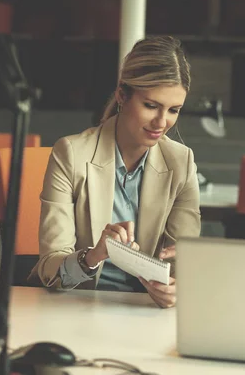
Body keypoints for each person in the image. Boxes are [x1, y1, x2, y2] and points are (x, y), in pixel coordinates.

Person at [29, 36, 201, 308]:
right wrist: (93, 256)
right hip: (78, 306)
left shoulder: (181, 162)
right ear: (122, 95)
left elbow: (185, 261)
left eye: (173, 110)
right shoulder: (71, 154)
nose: (162, 122)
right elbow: (50, 268)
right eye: (151, 105)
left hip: (146, 310)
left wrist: (176, 287)